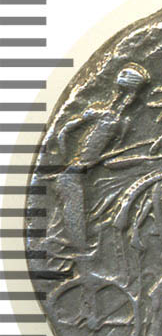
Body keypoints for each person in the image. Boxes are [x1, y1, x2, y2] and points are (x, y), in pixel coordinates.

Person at [53, 63, 150, 253]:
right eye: (128, 93)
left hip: (87, 179)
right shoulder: (98, 113)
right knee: (77, 230)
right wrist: (68, 160)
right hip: (71, 176)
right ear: (119, 92)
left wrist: (144, 158)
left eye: (134, 95)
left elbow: (110, 162)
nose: (131, 99)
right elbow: (64, 131)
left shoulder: (124, 124)